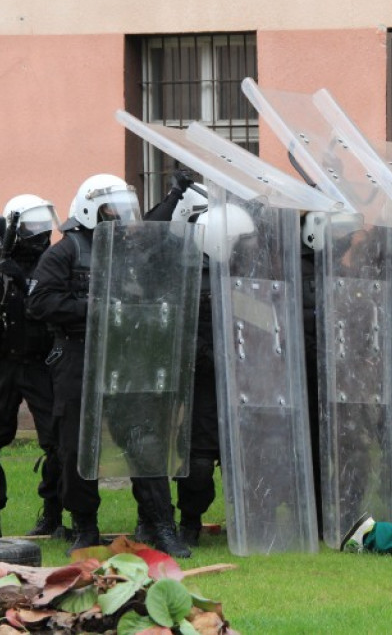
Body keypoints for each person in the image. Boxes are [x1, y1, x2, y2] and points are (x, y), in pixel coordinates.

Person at [27, 173, 190, 557]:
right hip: (77, 357)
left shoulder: (132, 250)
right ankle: (85, 528)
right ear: (89, 209)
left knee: (144, 441)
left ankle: (162, 527)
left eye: (124, 209)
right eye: (113, 209)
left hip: (127, 356)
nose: (121, 217)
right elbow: (39, 303)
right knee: (75, 445)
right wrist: (94, 309)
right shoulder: (65, 252)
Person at [0, 194, 65, 539]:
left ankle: (53, 515)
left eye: (44, 227)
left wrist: (28, 290)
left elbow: (59, 311)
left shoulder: (53, 268)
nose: (42, 235)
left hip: (42, 364)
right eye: (34, 228)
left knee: (62, 446)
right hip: (0, 364)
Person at [142, 169, 217, 547]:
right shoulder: (163, 256)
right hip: (166, 366)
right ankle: (154, 520)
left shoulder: (227, 260)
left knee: (200, 457)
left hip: (211, 372)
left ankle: (190, 519)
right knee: (150, 445)